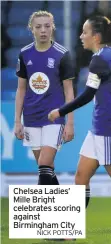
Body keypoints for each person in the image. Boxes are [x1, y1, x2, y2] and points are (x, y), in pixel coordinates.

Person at [14, 11, 75, 186]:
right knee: (47, 169)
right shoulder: (24, 54)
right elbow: (21, 89)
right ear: (31, 29)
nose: (43, 30)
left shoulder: (62, 54)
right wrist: (18, 121)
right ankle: (60, 209)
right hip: (32, 117)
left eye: (47, 26)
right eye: (38, 27)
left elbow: (69, 92)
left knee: (43, 165)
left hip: (54, 118)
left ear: (52, 28)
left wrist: (70, 122)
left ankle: (41, 210)